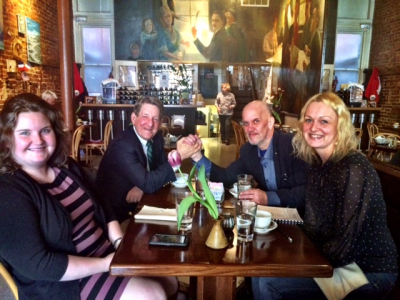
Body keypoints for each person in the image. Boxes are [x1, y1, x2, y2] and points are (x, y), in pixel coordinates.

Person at [0, 93, 178, 300]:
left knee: (169, 280)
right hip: (64, 283)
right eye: (24, 133)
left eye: (45, 130)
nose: (37, 140)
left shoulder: (66, 167)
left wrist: (119, 243)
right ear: (7, 139)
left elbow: (102, 204)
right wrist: (105, 264)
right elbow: (39, 265)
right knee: (152, 294)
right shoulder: (8, 192)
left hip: (105, 254)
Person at [252, 92, 398, 299]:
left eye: (324, 121)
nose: (314, 127)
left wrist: (295, 261)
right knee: (260, 271)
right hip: (337, 259)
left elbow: (344, 246)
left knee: (269, 282)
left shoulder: (353, 167)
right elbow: (313, 224)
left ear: (340, 126)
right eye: (309, 120)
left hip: (367, 270)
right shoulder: (318, 165)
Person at [184, 100, 309, 209]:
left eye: (256, 121)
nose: (249, 128)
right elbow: (226, 177)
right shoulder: (249, 151)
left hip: (299, 222)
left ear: (270, 122)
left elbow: (306, 192)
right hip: (268, 219)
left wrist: (268, 198)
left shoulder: (292, 145)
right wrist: (196, 155)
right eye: (246, 123)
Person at [95, 96, 200, 223]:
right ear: (134, 118)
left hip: (144, 204)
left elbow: (160, 171)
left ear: (160, 122)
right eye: (145, 116)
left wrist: (141, 186)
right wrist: (178, 157)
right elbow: (150, 183)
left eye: (155, 119)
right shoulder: (123, 145)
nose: (150, 123)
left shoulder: (156, 138)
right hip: (117, 215)